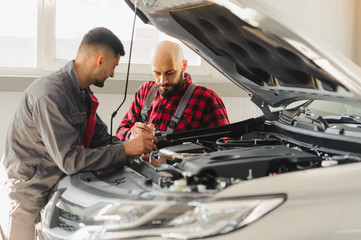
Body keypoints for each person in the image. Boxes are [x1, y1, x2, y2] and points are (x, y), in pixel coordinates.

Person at [0, 27, 157, 240]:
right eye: (113, 67)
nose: (112, 74)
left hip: (52, 190)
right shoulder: (50, 95)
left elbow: (101, 139)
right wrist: (125, 149)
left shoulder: (81, 93)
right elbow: (70, 160)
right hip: (26, 196)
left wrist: (136, 148)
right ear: (100, 60)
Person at [116, 40, 230, 141]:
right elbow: (121, 130)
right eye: (157, 73)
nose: (163, 80)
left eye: (170, 73)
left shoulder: (207, 99)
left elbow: (224, 146)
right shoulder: (145, 91)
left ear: (184, 65)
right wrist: (132, 135)